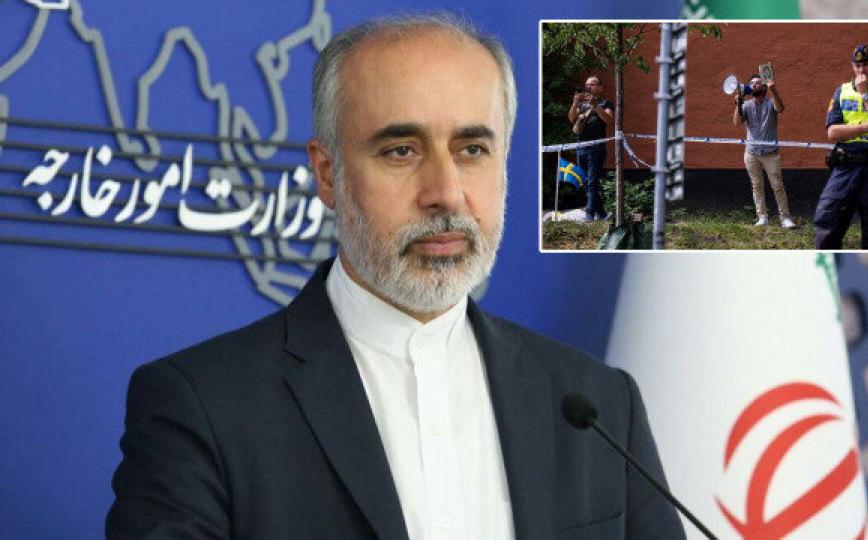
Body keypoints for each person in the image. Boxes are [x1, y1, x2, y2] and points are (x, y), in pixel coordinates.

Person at [106, 14, 683, 539]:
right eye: (401, 151)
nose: (446, 193)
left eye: (472, 149)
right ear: (327, 174)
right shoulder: (202, 405)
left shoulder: (600, 405)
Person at [814, 44, 868, 249]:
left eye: (866, 65)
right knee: (827, 220)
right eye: (858, 66)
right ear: (853, 66)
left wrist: (865, 95)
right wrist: (867, 127)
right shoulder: (841, 91)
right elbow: (832, 132)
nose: (862, 70)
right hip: (845, 166)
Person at [733, 74, 796, 228]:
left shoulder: (771, 102)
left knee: (777, 186)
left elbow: (781, 108)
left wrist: (774, 90)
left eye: (759, 83)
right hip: (751, 153)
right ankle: (762, 217)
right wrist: (738, 104)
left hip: (770, 153)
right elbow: (736, 122)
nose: (755, 85)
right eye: (753, 83)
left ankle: (785, 218)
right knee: (757, 186)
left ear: (764, 87)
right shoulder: (746, 105)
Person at [568, 76, 614, 221]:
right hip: (581, 147)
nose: (588, 87)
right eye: (587, 85)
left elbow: (608, 120)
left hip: (596, 147)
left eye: (592, 85)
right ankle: (601, 214)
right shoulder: (582, 105)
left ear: (600, 87)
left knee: (592, 181)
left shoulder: (605, 103)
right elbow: (571, 119)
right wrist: (575, 103)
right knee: (586, 180)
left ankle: (589, 213)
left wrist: (596, 106)